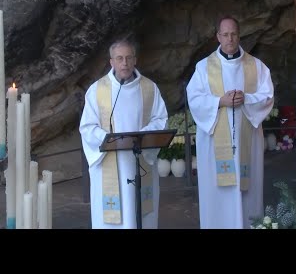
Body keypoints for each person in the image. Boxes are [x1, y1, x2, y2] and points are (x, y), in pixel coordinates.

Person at [186, 16, 274, 229]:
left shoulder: (257, 66)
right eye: (225, 34)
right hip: (215, 145)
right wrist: (219, 101)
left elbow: (267, 95)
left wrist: (247, 99)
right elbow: (194, 98)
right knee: (218, 197)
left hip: (248, 143)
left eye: (233, 33)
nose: (230, 39)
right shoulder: (204, 67)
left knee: (247, 194)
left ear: (239, 34)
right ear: (218, 37)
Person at [79, 39, 168, 229]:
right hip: (110, 165)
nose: (124, 63)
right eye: (119, 58)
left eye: (128, 58)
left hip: (140, 160)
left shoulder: (149, 88)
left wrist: (141, 137)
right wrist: (107, 139)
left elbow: (160, 120)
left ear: (135, 60)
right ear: (111, 62)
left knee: (140, 216)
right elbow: (87, 127)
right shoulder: (97, 90)